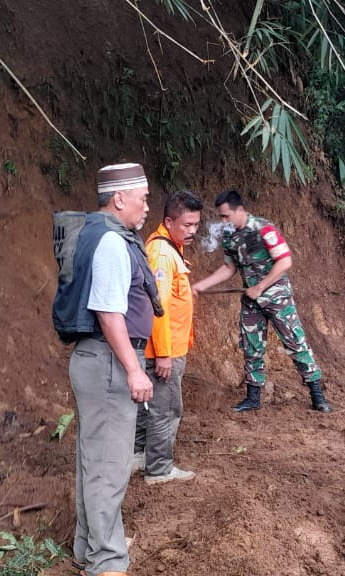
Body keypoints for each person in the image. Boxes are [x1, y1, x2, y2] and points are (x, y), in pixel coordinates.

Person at [54, 163, 157, 576]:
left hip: (96, 360)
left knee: (93, 461)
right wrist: (135, 370)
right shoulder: (113, 243)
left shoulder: (95, 234)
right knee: (109, 468)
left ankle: (88, 550)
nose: (147, 206)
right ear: (119, 199)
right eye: (143, 197)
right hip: (111, 362)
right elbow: (109, 313)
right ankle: (107, 563)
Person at [190, 189, 332, 413]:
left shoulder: (264, 228)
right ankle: (253, 397)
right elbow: (229, 267)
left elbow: (284, 261)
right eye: (221, 217)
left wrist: (260, 287)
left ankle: (317, 394)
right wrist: (202, 285)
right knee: (251, 347)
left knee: (295, 343)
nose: (223, 221)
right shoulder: (230, 236)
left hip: (277, 297)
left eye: (226, 216)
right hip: (251, 299)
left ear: (240, 210)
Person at [132, 191, 202, 484]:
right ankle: (159, 469)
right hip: (164, 349)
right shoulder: (162, 253)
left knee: (152, 408)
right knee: (167, 408)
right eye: (186, 225)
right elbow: (156, 306)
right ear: (169, 221)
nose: (192, 231)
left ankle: (138, 456)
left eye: (196, 225)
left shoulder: (169, 248)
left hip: (168, 346)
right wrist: (163, 353)